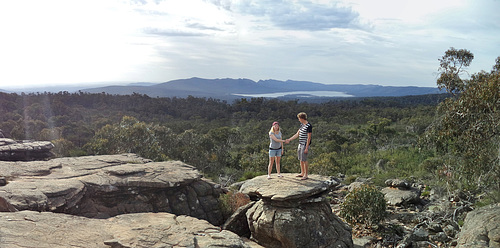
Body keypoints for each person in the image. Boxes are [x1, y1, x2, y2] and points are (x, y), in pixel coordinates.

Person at [286, 112, 312, 180]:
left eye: (299, 118)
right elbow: (297, 134)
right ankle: (302, 172)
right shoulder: (301, 125)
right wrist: (289, 139)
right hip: (300, 144)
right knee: (300, 159)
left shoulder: (308, 126)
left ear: (302, 118)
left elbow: (309, 138)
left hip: (304, 144)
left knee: (304, 160)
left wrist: (306, 148)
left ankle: (306, 175)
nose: (299, 120)